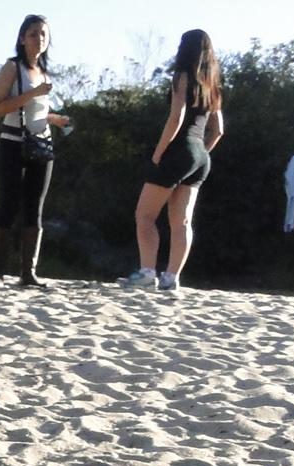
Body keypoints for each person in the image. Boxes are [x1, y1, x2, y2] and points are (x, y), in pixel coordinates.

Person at [119, 29, 225, 292]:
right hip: (201, 154)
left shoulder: (182, 76)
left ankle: (146, 272)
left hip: (180, 149)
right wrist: (201, 153)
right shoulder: (212, 84)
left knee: (144, 216)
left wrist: (160, 151)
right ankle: (171, 277)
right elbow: (219, 129)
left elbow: (176, 117)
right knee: (182, 222)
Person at [0, 15, 70, 289]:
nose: (39, 39)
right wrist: (34, 93)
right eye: (34, 33)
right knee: (8, 204)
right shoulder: (13, 68)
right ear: (22, 38)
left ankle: (28, 273)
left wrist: (54, 119)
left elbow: (37, 113)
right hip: (13, 143)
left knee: (35, 208)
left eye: (44, 34)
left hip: (41, 145)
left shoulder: (44, 74)